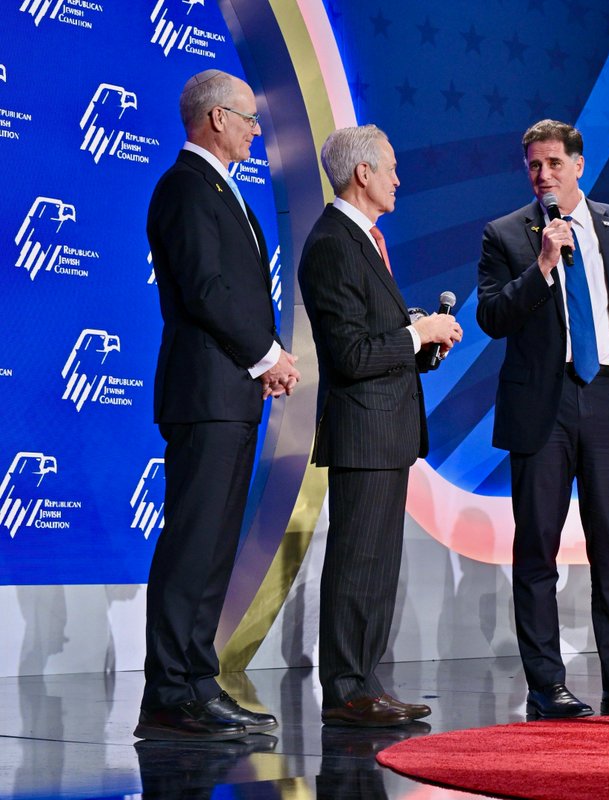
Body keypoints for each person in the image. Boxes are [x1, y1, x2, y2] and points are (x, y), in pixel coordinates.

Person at [477, 120, 609, 718]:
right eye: (534, 166)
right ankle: (547, 686)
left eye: (554, 164)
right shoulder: (506, 234)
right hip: (545, 404)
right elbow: (491, 316)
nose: (544, 176)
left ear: (579, 165)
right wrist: (540, 267)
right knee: (537, 547)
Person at [138, 69, 300, 741]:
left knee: (214, 548)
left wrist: (257, 362)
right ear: (214, 120)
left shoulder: (222, 190)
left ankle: (200, 681)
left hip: (229, 393)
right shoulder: (184, 187)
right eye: (248, 118)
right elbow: (208, 289)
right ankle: (171, 690)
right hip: (205, 392)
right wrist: (267, 354)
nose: (256, 130)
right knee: (192, 544)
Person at [298, 125, 462, 727]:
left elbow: (373, 341)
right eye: (390, 168)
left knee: (377, 565)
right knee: (358, 563)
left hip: (385, 430)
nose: (398, 178)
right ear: (361, 173)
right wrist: (416, 333)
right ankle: (347, 688)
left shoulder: (363, 240)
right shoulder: (334, 243)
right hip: (364, 432)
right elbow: (350, 354)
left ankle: (366, 681)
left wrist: (419, 344)